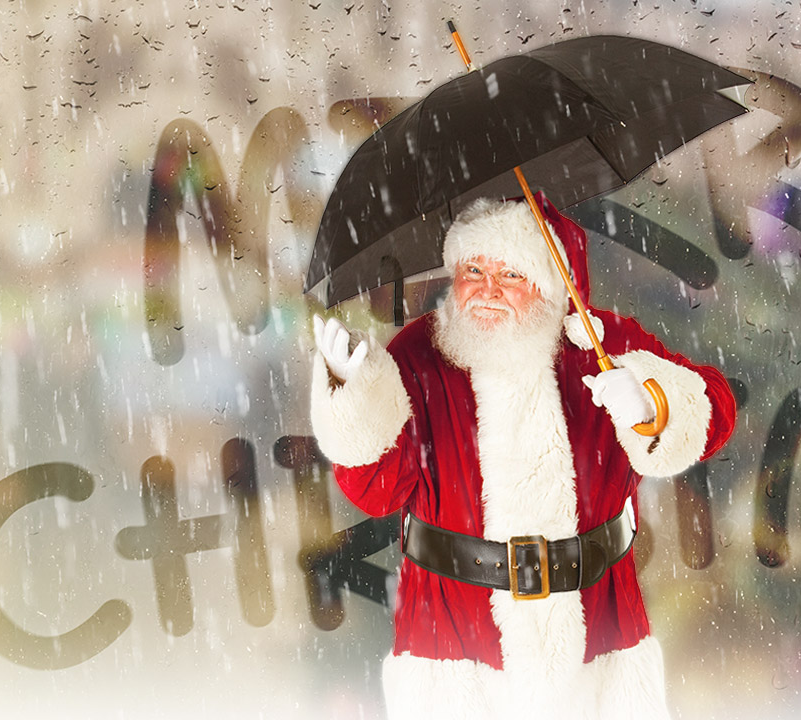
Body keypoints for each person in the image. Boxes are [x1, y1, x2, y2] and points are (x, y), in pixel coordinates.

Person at [309, 194, 736, 719]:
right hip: (453, 648)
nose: (486, 290)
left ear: (552, 284)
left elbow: (717, 405)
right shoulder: (418, 353)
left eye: (511, 273)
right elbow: (376, 491)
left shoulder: (604, 343)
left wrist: (653, 402)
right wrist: (356, 398)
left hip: (600, 636)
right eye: (473, 269)